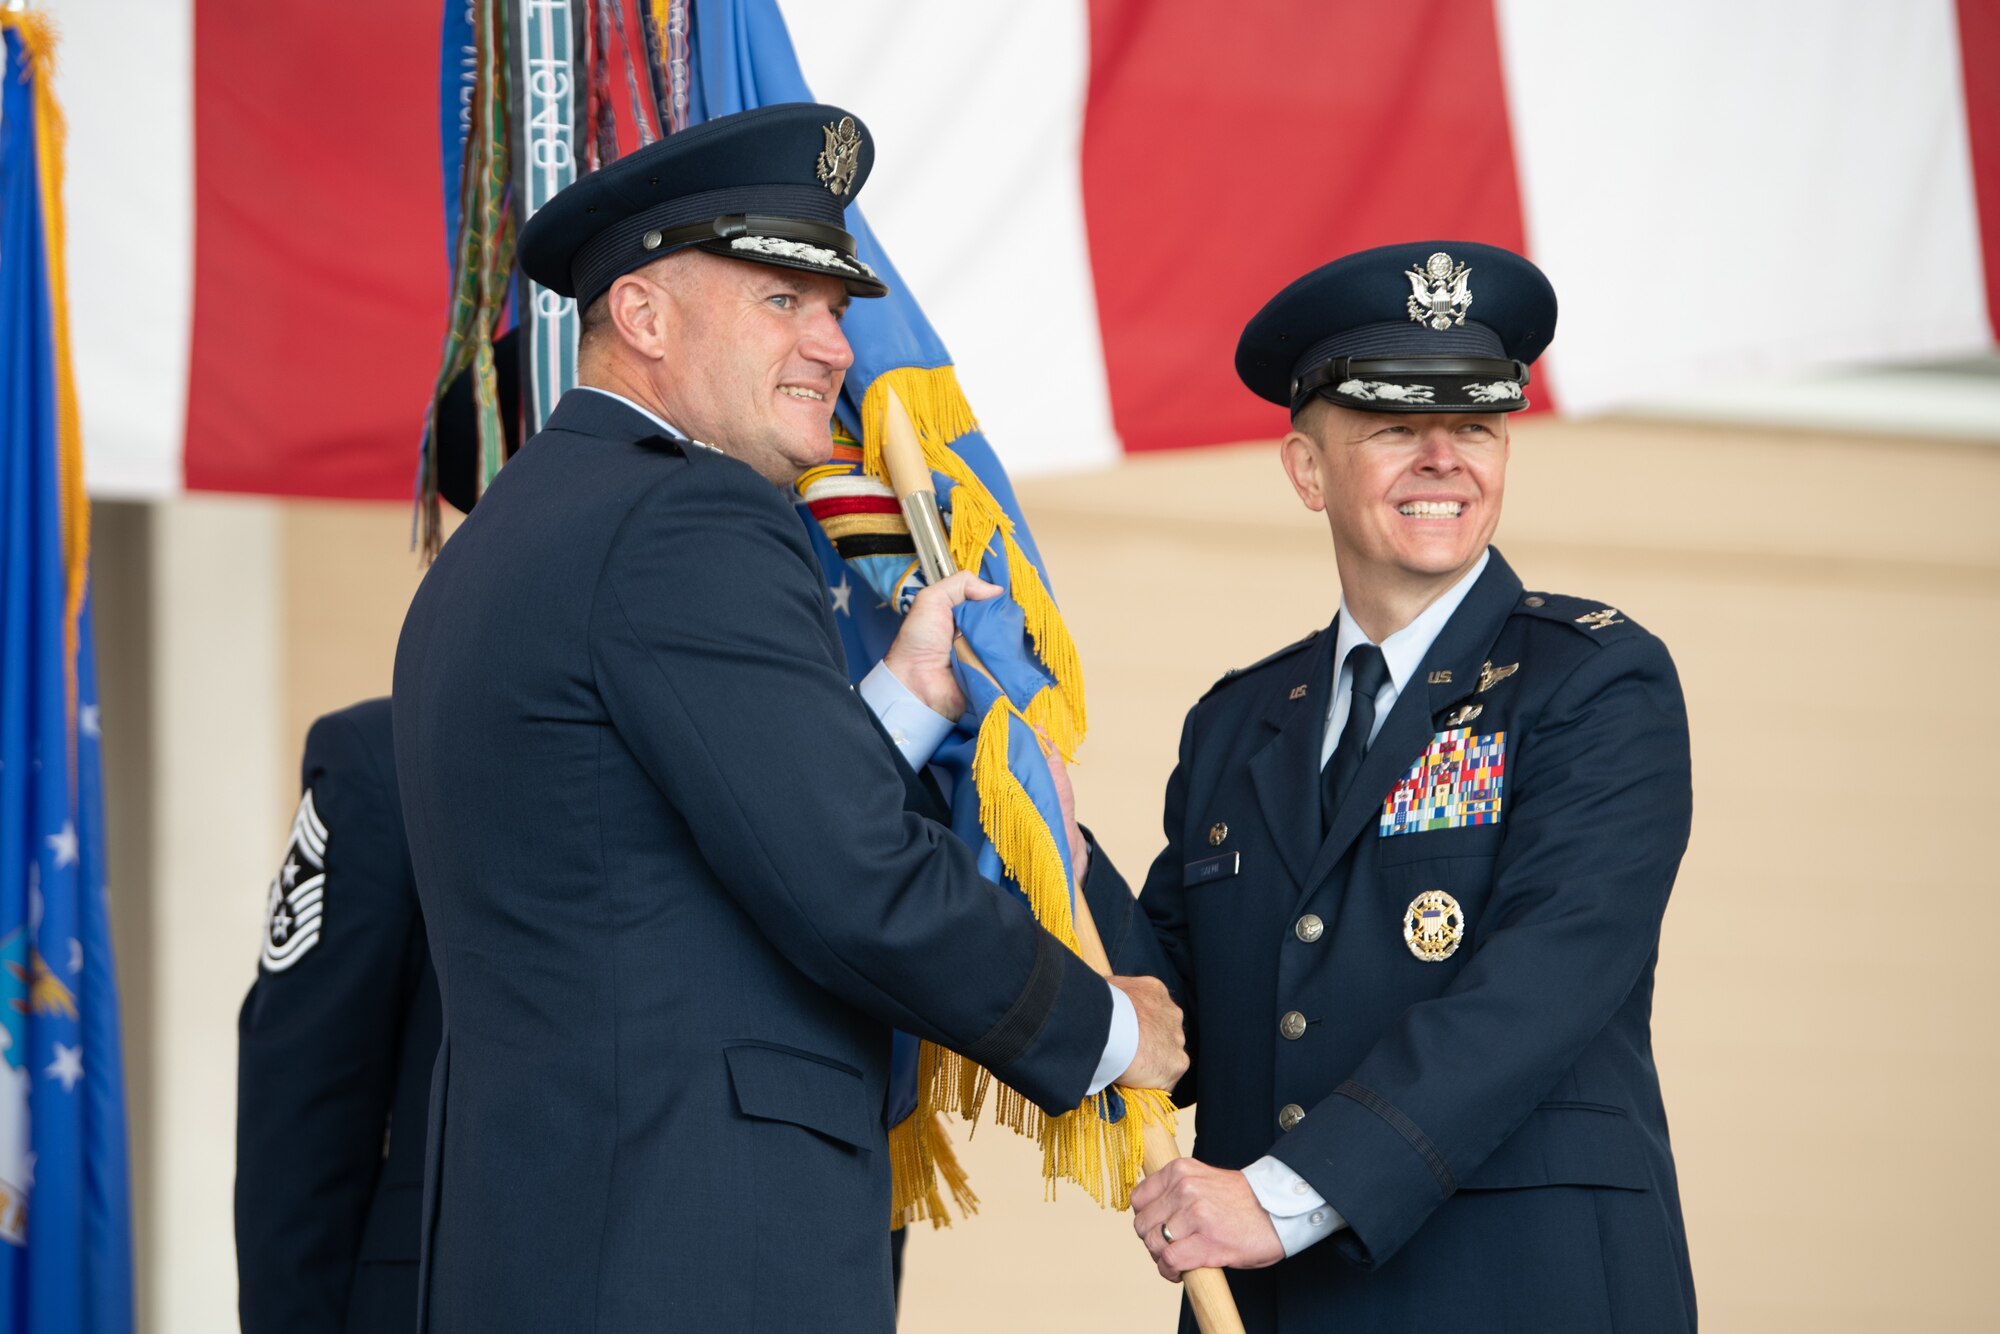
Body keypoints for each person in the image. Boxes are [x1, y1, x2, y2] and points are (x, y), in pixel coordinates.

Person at [390, 102, 1185, 1333]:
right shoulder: (688, 519)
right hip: (693, 1247)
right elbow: (847, 874)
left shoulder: (517, 536)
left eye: (834, 306)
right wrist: (1096, 1025)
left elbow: (691, 843)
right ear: (642, 316)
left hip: (559, 1238)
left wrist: (908, 699)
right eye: (779, 301)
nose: (831, 345)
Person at [1083, 241, 1696, 1332]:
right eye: (1395, 426)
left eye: (1473, 426)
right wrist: (1024, 814)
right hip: (1276, 1300)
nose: (1442, 458)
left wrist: (1281, 1194)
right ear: (1306, 470)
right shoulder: (1236, 723)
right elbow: (1170, 1024)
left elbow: (1542, 981)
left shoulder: (1594, 680)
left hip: (1517, 1288)